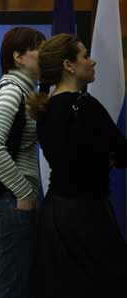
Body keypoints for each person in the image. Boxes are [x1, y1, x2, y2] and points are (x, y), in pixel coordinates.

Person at [28, 33, 127, 298]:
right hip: (88, 216)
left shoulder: (45, 109)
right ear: (69, 65)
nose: (92, 61)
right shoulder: (84, 106)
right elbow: (123, 153)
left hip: (55, 216)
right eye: (85, 55)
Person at [0, 27, 46, 298]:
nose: (45, 55)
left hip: (9, 200)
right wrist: (24, 191)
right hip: (7, 201)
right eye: (38, 49)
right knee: (12, 290)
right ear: (18, 57)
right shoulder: (11, 91)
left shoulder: (25, 90)